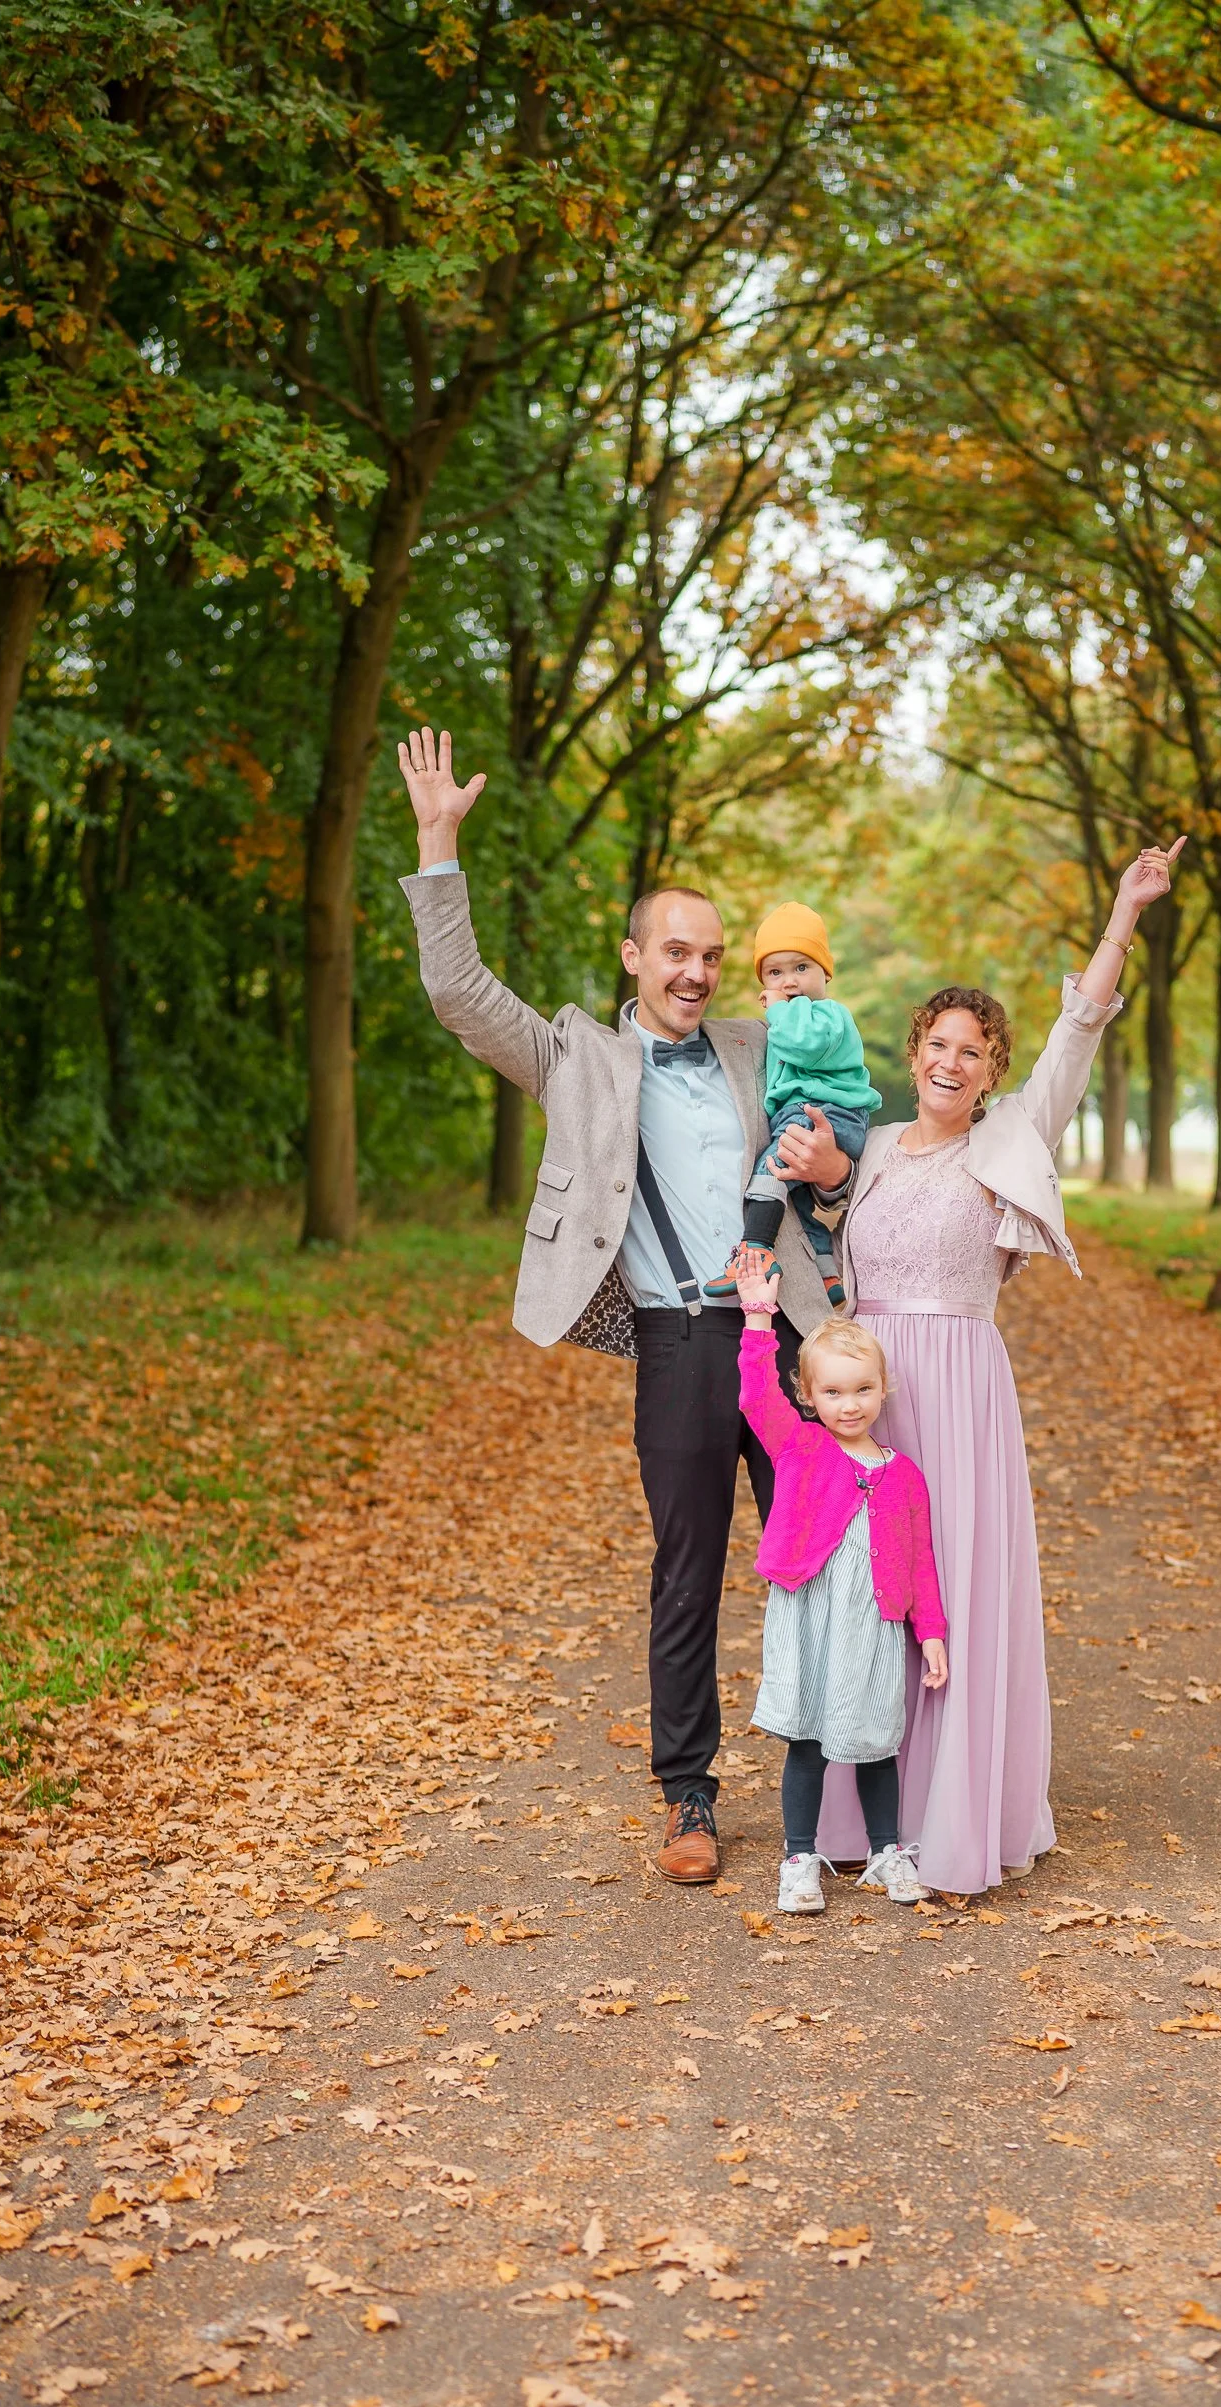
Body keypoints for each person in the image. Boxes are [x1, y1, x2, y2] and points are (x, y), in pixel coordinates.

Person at [394, 726, 854, 1887]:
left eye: (710, 955)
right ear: (633, 957)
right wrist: (436, 840)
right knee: (687, 1567)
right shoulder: (577, 1058)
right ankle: (688, 1795)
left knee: (825, 1550)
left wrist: (847, 1158)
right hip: (680, 1338)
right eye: (674, 953)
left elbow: (858, 1091)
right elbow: (456, 991)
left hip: (786, 1335)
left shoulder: (759, 1044)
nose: (695, 971)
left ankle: (847, 1778)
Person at [816, 837, 1185, 1896]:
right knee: (869, 1600)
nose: (948, 1062)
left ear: (990, 1068)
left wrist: (1122, 914)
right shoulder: (877, 1147)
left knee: (953, 1595)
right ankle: (861, 1811)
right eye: (935, 1043)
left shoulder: (1017, 1135)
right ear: (913, 1049)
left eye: (969, 1050)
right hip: (871, 1402)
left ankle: (955, 1811)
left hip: (961, 1392)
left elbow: (1079, 1029)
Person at [735, 1254, 946, 1915]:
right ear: (808, 1396)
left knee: (874, 1737)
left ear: (884, 1391)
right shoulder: (798, 1447)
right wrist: (756, 1317)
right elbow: (752, 1396)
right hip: (808, 1611)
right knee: (806, 1736)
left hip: (876, 1622)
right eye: (832, 1392)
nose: (847, 1404)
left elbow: (920, 1561)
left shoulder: (902, 1474)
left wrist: (931, 1632)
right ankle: (799, 1858)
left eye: (861, 1390)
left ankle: (886, 1853)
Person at [704, 903, 880, 1311]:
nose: (789, 983)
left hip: (826, 1112)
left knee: (770, 1170)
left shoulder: (827, 1015)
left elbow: (804, 1043)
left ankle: (754, 1251)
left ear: (825, 973)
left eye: (801, 968)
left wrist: (779, 1009)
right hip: (802, 1114)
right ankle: (826, 1272)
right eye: (775, 973)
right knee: (797, 1207)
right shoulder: (793, 1018)